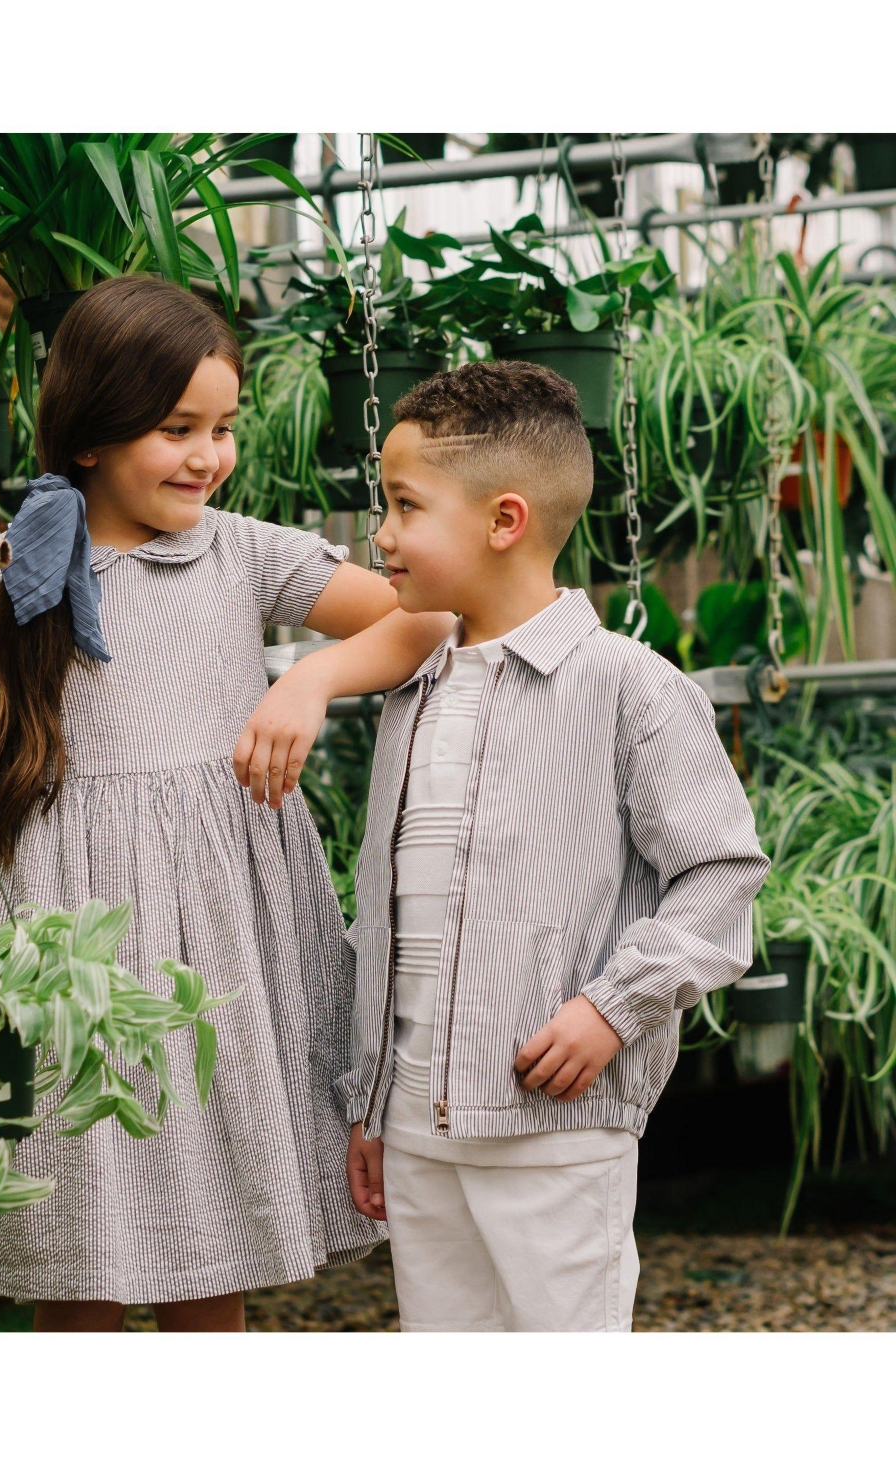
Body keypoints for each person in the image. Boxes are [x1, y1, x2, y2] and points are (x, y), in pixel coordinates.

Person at [0, 276, 452, 1332]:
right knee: (77, 1240)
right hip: (72, 938)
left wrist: (305, 679)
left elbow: (433, 615)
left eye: (222, 426)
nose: (207, 455)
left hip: (215, 937)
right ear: (91, 429)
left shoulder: (241, 551)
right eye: (176, 428)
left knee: (209, 1234)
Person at [340, 359, 770, 1332]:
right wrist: (370, 1100)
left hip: (556, 1130)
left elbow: (721, 873)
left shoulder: (631, 688)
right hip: (413, 1130)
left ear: (504, 520)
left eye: (405, 506)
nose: (383, 534)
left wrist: (612, 1009)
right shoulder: (413, 695)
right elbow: (391, 913)